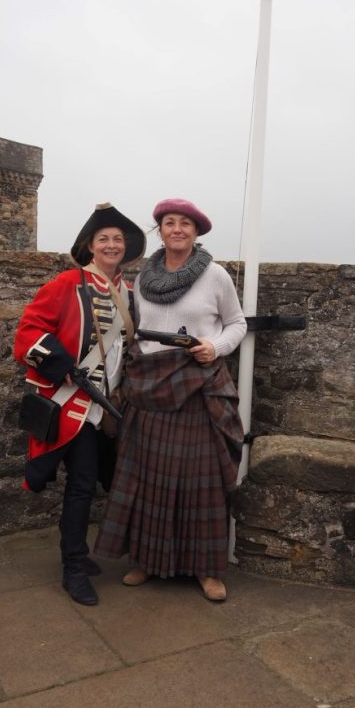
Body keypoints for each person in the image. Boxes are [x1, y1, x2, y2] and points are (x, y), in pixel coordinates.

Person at [95, 198, 246, 602]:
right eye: (168, 223)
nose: (176, 229)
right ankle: (147, 561)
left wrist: (214, 348)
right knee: (149, 479)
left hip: (197, 384)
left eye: (185, 224)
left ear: (196, 232)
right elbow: (134, 328)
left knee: (201, 483)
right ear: (159, 230)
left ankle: (207, 571)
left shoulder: (215, 276)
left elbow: (236, 323)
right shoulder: (142, 276)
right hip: (148, 384)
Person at [14, 203, 146, 606]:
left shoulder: (127, 291)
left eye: (117, 240)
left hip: (107, 405)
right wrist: (62, 365)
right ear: (90, 246)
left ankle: (81, 557)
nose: (111, 245)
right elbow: (27, 335)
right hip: (72, 402)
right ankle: (73, 567)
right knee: (82, 485)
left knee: (104, 481)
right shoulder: (66, 284)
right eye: (103, 239)